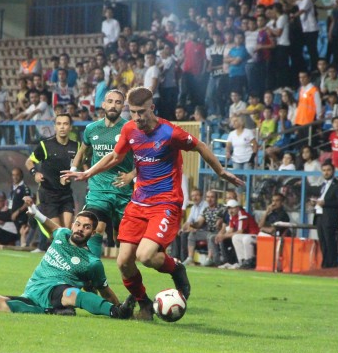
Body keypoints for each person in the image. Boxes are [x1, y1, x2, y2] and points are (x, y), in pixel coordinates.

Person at [63, 87, 244, 319]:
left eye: (141, 112)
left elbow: (199, 145)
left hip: (165, 203)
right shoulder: (129, 129)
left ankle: (176, 268)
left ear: (152, 108)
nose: (137, 117)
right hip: (139, 202)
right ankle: (144, 303)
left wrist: (220, 171)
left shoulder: (170, 133)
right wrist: (88, 173)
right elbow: (116, 157)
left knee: (146, 256)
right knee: (123, 262)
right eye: (133, 112)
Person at [0, 198, 136, 319]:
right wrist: (35, 212)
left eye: (86, 227)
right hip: (32, 294)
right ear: (72, 225)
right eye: (78, 224)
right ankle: (50, 311)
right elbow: (52, 226)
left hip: (58, 292)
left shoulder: (92, 262)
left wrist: (118, 308)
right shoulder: (62, 234)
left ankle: (115, 313)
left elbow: (105, 291)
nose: (80, 229)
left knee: (71, 294)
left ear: (94, 232)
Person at [70, 90, 135, 259]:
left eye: (118, 102)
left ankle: (124, 262)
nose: (113, 105)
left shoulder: (130, 129)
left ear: (123, 106)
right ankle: (92, 269)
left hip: (122, 189)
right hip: (98, 189)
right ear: (103, 104)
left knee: (122, 238)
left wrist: (132, 175)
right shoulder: (91, 129)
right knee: (96, 228)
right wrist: (74, 169)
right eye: (110, 101)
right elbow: (82, 151)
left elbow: (143, 158)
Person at [26, 114, 78, 252]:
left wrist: (72, 176)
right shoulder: (45, 145)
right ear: (55, 126)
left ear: (70, 127)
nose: (62, 127)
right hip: (48, 195)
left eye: (65, 124)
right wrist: (34, 173)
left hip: (66, 194)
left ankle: (66, 263)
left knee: (66, 232)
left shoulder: (76, 146)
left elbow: (78, 168)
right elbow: (29, 161)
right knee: (58, 234)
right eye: (59, 123)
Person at [314, 161, 338, 268]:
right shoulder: (322, 185)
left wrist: (325, 203)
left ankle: (332, 264)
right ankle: (325, 262)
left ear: (333, 171)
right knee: (322, 241)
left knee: (330, 241)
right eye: (324, 170)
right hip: (320, 216)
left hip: (330, 218)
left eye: (328, 170)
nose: (326, 173)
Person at [217, 199, 260, 270]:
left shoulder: (242, 215)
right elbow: (231, 230)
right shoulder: (232, 216)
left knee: (244, 238)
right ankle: (241, 261)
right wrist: (221, 236)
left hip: (255, 236)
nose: (230, 210)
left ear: (237, 208)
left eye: (232, 208)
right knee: (235, 237)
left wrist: (223, 236)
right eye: (229, 208)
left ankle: (249, 261)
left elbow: (240, 231)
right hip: (246, 236)